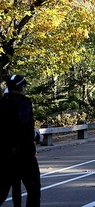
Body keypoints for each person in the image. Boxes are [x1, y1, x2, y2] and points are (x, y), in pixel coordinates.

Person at [0, 74, 43, 207]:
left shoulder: (2, 102)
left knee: (2, 191)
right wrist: (37, 137)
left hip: (4, 154)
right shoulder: (24, 102)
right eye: (24, 86)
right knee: (33, 189)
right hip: (24, 154)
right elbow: (24, 126)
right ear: (21, 88)